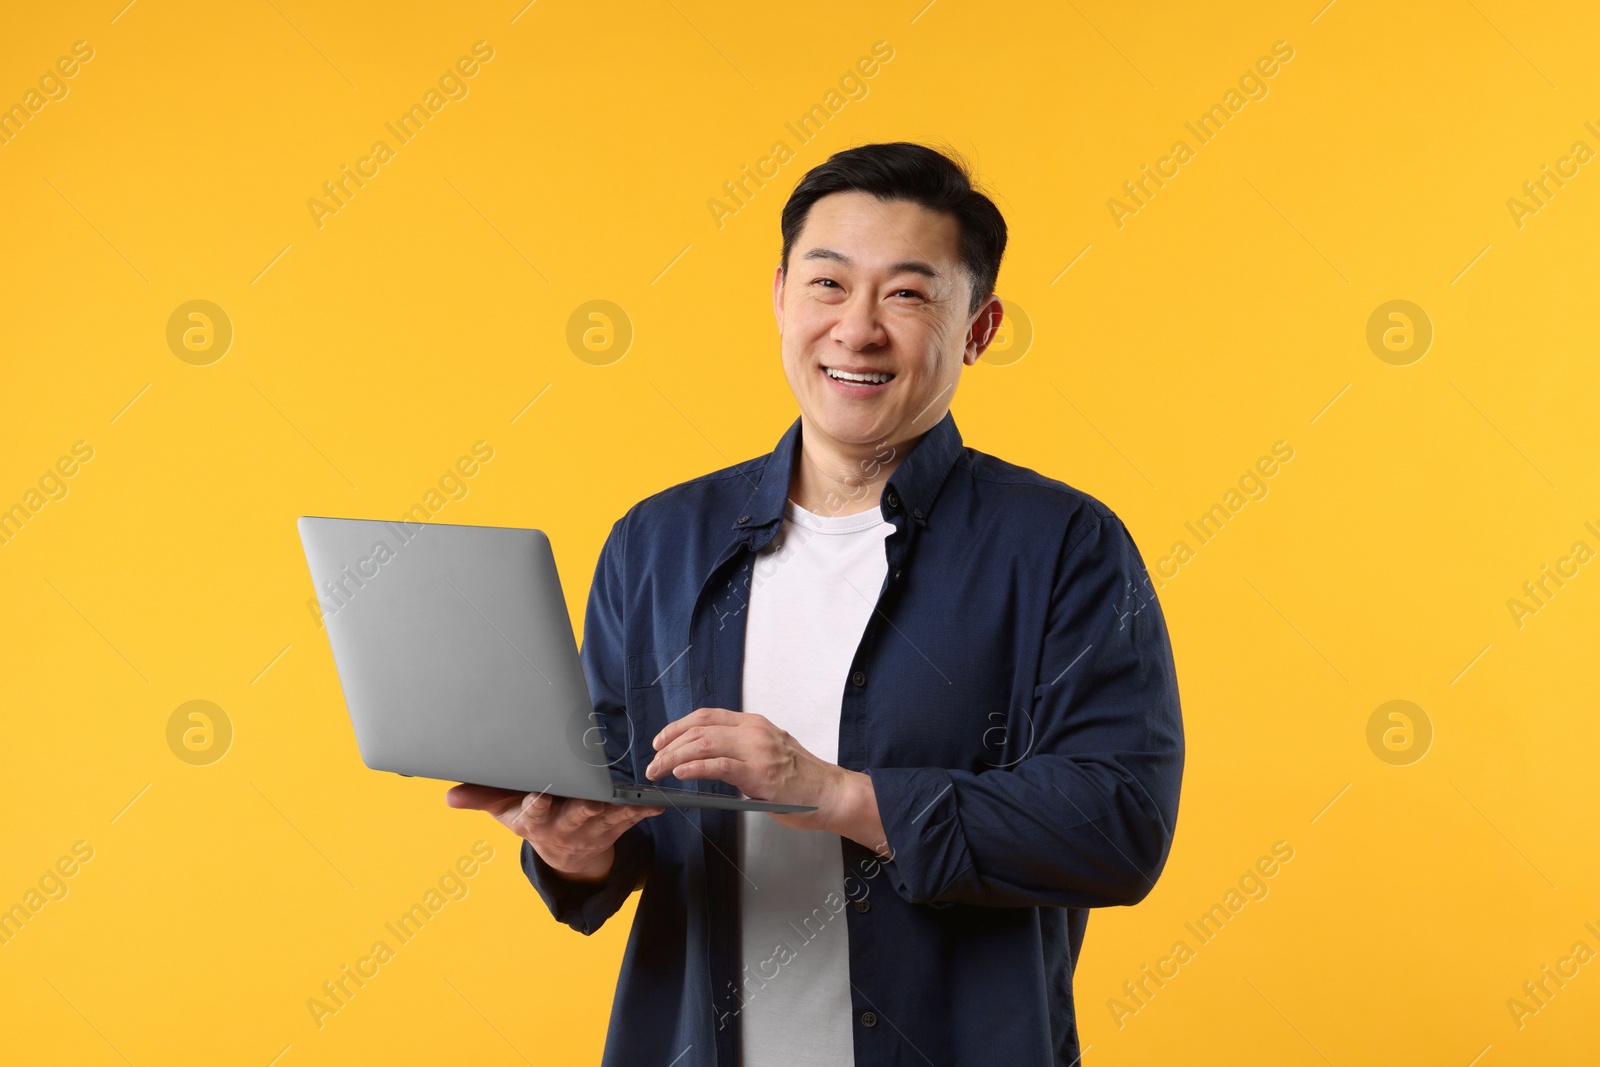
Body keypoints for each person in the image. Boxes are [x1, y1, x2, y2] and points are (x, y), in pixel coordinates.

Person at [447, 141, 1185, 1066]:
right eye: (828, 283)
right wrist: (571, 844)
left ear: (979, 328)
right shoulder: (657, 540)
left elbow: (1117, 823)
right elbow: (618, 820)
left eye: (908, 294)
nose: (857, 329)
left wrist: (838, 793)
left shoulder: (1061, 546)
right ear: (780, 297)